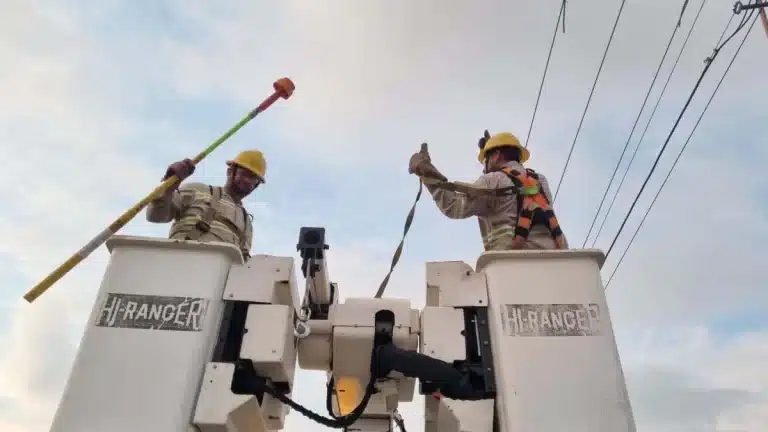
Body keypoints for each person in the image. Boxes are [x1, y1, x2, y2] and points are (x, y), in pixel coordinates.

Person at [408, 130, 568, 251]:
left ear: (496, 155)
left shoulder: (493, 180)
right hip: (553, 259)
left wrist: (426, 174)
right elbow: (516, 197)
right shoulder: (540, 181)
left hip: (512, 263)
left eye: (486, 159)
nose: (484, 167)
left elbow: (454, 206)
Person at [146, 150, 267, 259]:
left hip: (218, 275)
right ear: (230, 171)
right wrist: (168, 188)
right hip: (181, 260)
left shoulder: (247, 224)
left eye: (253, 178)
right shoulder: (197, 190)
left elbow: (242, 262)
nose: (247, 180)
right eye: (244, 173)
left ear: (256, 185)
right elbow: (156, 216)